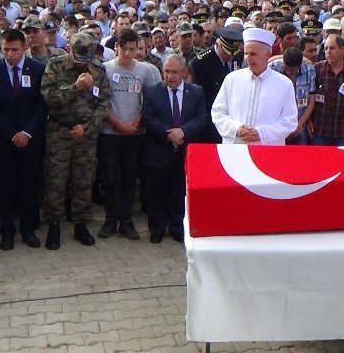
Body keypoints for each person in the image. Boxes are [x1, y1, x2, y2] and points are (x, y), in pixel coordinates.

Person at [40, 31, 110, 250]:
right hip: (59, 133)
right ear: (69, 50)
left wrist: (87, 128)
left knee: (83, 181)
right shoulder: (55, 66)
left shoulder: (98, 70)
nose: (82, 64)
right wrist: (75, 88)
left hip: (85, 137)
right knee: (56, 181)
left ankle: (81, 224)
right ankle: (54, 225)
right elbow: (48, 98)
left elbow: (103, 104)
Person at [0, 29, 47, 250]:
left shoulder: (38, 69)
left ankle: (28, 230)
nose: (10, 54)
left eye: (14, 49)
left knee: (29, 186)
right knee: (6, 187)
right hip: (3, 141)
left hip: (31, 139)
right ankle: (6, 231)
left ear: (24, 48)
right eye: (5, 49)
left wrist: (27, 133)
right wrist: (11, 133)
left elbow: (41, 104)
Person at [99, 30, 161, 240]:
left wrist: (139, 121)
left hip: (136, 133)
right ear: (116, 47)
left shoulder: (148, 71)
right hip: (110, 132)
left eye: (132, 49)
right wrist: (116, 123)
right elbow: (100, 102)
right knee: (110, 177)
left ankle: (126, 220)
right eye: (123, 48)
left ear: (138, 48)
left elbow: (152, 100)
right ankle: (110, 219)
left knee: (129, 177)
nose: (127, 53)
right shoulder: (104, 70)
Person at [141, 54, 207, 243]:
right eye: (166, 71)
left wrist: (183, 132)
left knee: (179, 191)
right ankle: (157, 228)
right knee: (157, 192)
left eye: (174, 72)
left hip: (185, 151)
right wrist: (169, 134)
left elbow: (201, 118)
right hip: (159, 150)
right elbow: (149, 118)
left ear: (184, 73)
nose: (169, 76)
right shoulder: (152, 91)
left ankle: (177, 227)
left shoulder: (196, 92)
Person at [212, 28, 297, 145]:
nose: (248, 58)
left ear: (268, 54)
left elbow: (289, 121)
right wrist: (236, 129)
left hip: (267, 151)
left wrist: (261, 133)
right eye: (246, 53)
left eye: (253, 54)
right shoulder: (232, 79)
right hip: (235, 150)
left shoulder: (284, 84)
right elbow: (218, 113)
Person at [189, 27, 243, 142]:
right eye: (227, 52)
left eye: (234, 52)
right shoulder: (200, 63)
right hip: (212, 119)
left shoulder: (237, 55)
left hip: (235, 116)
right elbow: (204, 98)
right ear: (218, 44)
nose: (231, 56)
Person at [311, 34, 344, 146]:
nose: (328, 51)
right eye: (326, 48)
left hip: (343, 132)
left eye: (332, 48)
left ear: (342, 50)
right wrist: (308, 120)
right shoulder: (317, 69)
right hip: (319, 130)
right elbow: (310, 96)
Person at [269, 47, 316, 145]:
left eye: (292, 70)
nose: (289, 72)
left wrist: (299, 124)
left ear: (299, 65)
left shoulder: (309, 70)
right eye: (286, 68)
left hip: (298, 128)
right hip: (276, 127)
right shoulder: (272, 68)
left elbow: (311, 100)